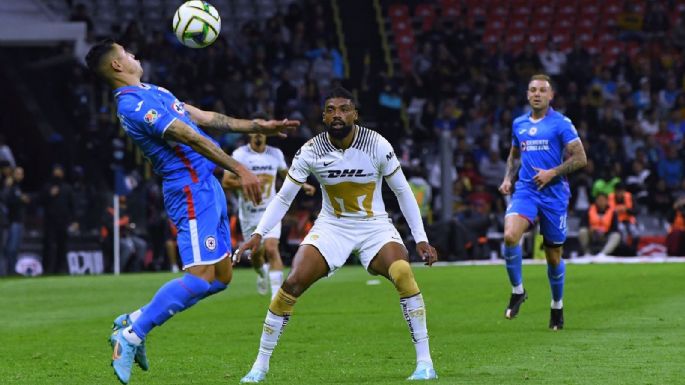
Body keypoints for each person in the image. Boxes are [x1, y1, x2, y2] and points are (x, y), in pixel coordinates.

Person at [84, 39, 299, 384]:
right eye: (126, 53)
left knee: (222, 278)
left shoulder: (153, 90)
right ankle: (132, 335)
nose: (133, 55)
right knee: (200, 278)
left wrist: (259, 126)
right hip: (188, 190)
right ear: (116, 66)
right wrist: (240, 169)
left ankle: (133, 319)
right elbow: (190, 136)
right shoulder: (132, 105)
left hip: (206, 186)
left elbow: (207, 118)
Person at [234, 87, 439, 383]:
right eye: (331, 109)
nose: (337, 115)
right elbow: (283, 198)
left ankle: (425, 364)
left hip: (374, 226)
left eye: (344, 109)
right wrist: (258, 233)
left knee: (403, 272)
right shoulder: (310, 151)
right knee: (292, 283)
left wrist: (420, 237)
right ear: (323, 116)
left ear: (355, 114)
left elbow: (403, 191)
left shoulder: (377, 145)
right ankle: (259, 367)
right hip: (332, 227)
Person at [498, 74, 587, 330]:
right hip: (526, 190)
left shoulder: (561, 124)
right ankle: (518, 291)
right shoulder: (519, 124)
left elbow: (581, 158)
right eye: (533, 90)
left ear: (551, 96)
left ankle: (557, 306)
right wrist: (507, 179)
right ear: (527, 95)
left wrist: (553, 172)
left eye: (542, 90)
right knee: (510, 236)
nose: (537, 94)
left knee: (553, 256)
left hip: (554, 194)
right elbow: (514, 156)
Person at [222, 132, 316, 299]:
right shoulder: (239, 154)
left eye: (261, 130)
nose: (258, 134)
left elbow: (287, 175)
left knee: (272, 249)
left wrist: (304, 185)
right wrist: (248, 182)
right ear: (249, 134)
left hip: (270, 211)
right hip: (249, 214)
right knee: (257, 256)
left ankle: (277, 298)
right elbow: (226, 182)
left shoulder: (275, 154)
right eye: (254, 130)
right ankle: (261, 272)